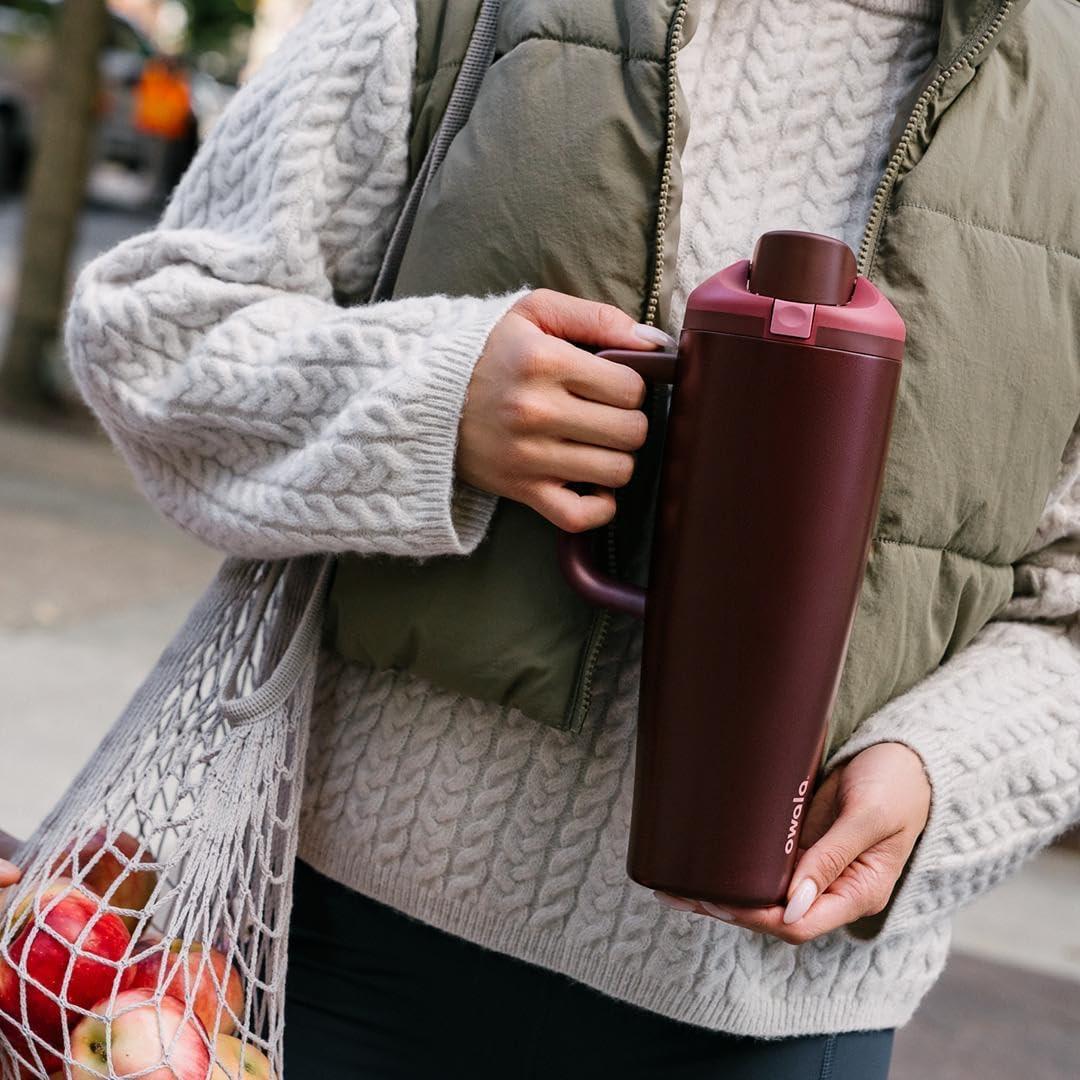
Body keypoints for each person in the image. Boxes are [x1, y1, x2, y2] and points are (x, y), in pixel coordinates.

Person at [31, 0, 1080, 1077]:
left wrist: (943, 770)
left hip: (769, 1024)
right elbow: (149, 338)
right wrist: (437, 402)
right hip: (327, 956)